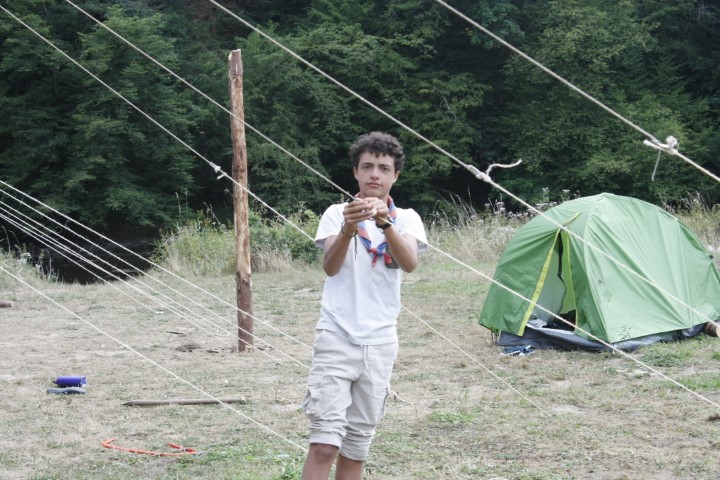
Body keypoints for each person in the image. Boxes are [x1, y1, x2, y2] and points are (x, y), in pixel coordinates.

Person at [301, 132, 427, 479]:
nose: (375, 174)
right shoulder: (335, 213)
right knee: (324, 444)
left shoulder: (407, 218)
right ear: (355, 172)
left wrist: (385, 223)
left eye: (384, 168)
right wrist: (348, 228)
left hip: (381, 342)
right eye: (367, 166)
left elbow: (408, 263)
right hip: (336, 336)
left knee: (356, 448)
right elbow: (330, 267)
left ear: (395, 176)